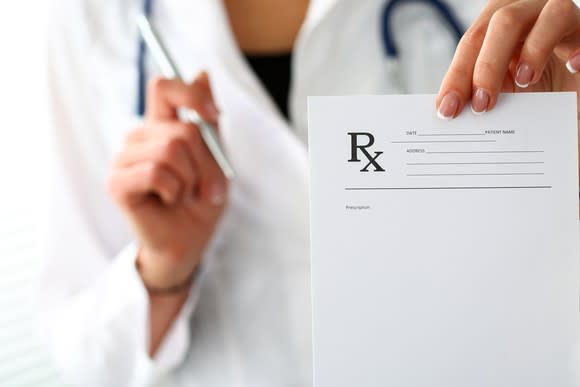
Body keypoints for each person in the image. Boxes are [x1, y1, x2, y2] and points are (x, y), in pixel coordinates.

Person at [38, 0, 580, 386]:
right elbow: (84, 361)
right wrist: (162, 268)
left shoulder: (524, 12)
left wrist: (567, 140)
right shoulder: (90, 16)